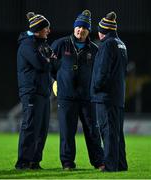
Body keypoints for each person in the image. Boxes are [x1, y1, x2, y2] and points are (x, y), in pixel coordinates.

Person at [51, 10, 104, 170]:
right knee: (67, 133)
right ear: (74, 28)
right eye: (78, 27)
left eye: (84, 28)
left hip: (88, 98)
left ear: (88, 31)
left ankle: (99, 162)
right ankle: (67, 163)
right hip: (66, 97)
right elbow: (50, 67)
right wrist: (59, 81)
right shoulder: (61, 44)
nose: (80, 31)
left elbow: (98, 72)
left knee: (93, 132)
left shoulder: (95, 50)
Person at [15, 12, 55, 170]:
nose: (49, 31)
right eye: (46, 28)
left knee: (42, 129)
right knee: (31, 127)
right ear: (38, 29)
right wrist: (49, 60)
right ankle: (23, 162)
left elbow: (52, 61)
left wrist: (49, 60)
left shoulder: (41, 43)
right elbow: (42, 65)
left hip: (44, 93)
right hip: (31, 92)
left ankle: (34, 162)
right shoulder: (27, 44)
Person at [90, 11, 128, 172]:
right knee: (117, 132)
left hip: (105, 96)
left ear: (103, 31)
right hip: (118, 96)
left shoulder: (106, 44)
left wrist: (95, 87)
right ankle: (120, 163)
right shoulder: (121, 43)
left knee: (108, 132)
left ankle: (111, 165)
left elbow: (102, 71)